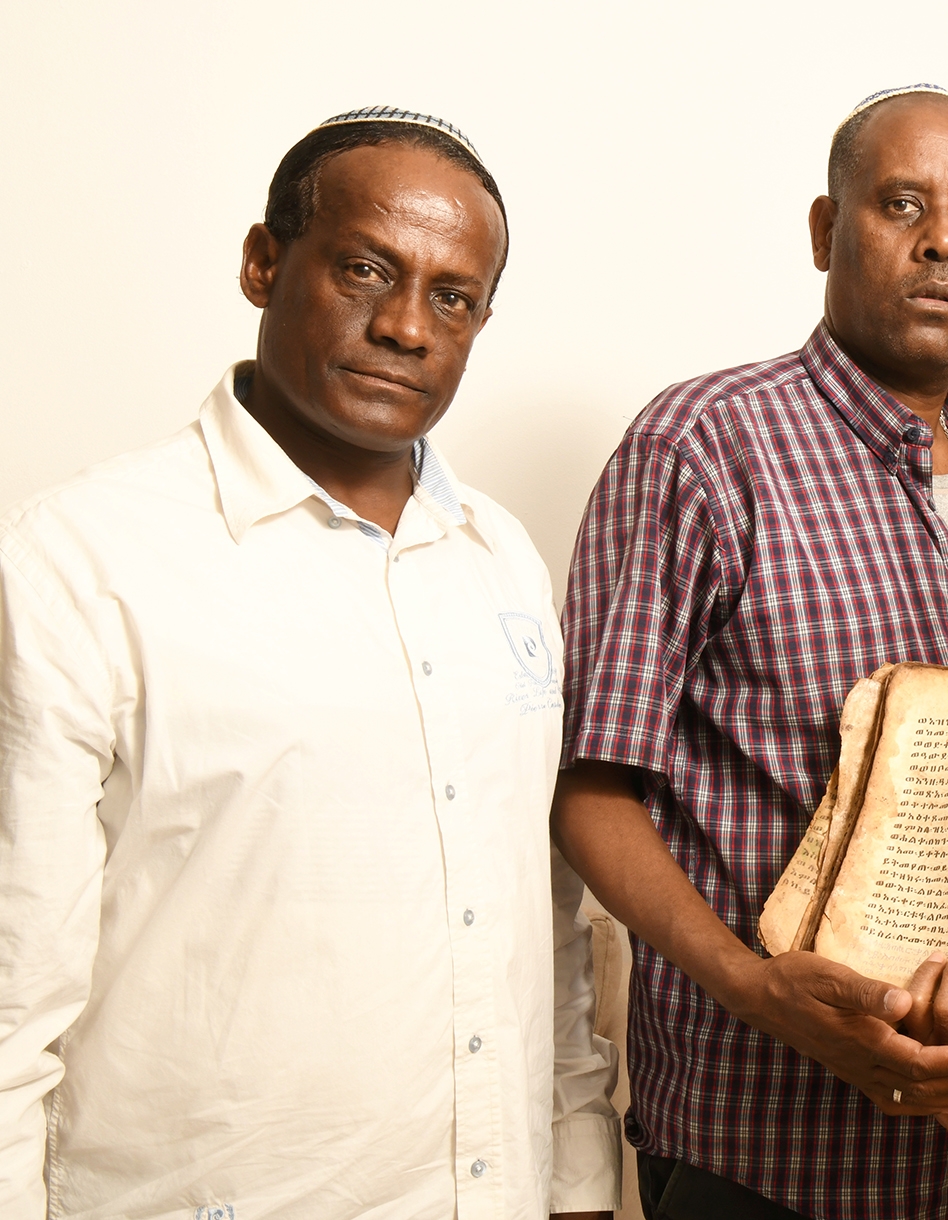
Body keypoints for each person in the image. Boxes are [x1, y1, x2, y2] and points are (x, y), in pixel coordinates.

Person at [0, 108, 619, 1219]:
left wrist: (575, 1177)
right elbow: (9, 1002)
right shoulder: (80, 562)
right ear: (262, 261)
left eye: (453, 297)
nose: (405, 327)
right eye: (365, 270)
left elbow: (549, 922)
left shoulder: (503, 561)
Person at [550, 85, 948, 1220]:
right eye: (902, 204)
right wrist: (761, 988)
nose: (940, 241)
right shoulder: (702, 445)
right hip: (761, 1153)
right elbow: (589, 789)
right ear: (827, 231)